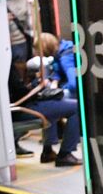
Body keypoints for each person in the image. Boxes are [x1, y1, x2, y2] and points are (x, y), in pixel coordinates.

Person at [21, 32, 81, 166]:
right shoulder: (62, 52)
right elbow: (59, 72)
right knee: (51, 102)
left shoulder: (66, 57)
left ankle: (52, 150)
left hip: (74, 91)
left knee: (58, 102)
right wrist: (55, 80)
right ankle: (61, 152)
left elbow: (73, 84)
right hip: (66, 89)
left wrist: (58, 88)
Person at [4, 0, 34, 68]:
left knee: (20, 70)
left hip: (20, 42)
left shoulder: (24, 0)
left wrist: (33, 6)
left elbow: (31, 23)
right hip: (3, 43)